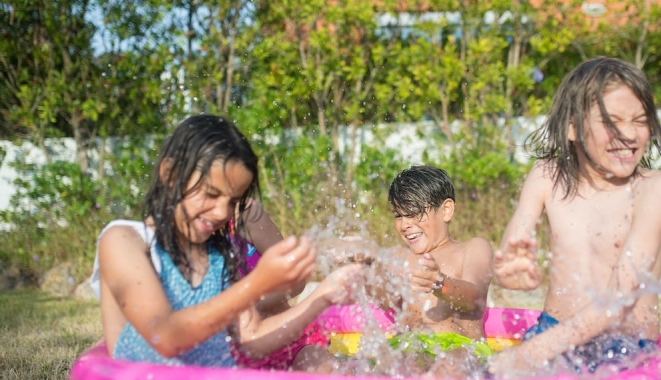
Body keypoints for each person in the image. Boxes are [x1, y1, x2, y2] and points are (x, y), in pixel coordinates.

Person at [90, 114, 361, 368]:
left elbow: (251, 339)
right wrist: (257, 283)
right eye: (210, 194)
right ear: (170, 174)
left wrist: (322, 296)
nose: (222, 212)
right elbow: (165, 337)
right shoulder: (125, 241)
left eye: (232, 201)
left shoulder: (217, 255)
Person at [489, 57, 661, 377]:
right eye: (613, 121)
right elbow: (516, 236)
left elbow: (622, 294)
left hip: (625, 346)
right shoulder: (546, 176)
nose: (629, 134)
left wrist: (533, 351)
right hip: (553, 327)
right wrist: (510, 270)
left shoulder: (655, 190)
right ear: (573, 126)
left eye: (640, 120)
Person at [365, 165, 494, 377]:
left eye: (414, 213)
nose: (405, 224)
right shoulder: (398, 257)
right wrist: (368, 266)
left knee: (449, 368)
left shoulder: (471, 248)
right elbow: (384, 300)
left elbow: (475, 298)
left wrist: (440, 283)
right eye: (398, 215)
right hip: (408, 348)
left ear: (446, 210)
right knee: (379, 365)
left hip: (460, 349)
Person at [228, 203, 354, 372]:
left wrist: (248, 309)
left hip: (291, 343)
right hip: (229, 357)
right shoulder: (188, 241)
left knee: (324, 370)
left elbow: (295, 279)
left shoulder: (245, 213)